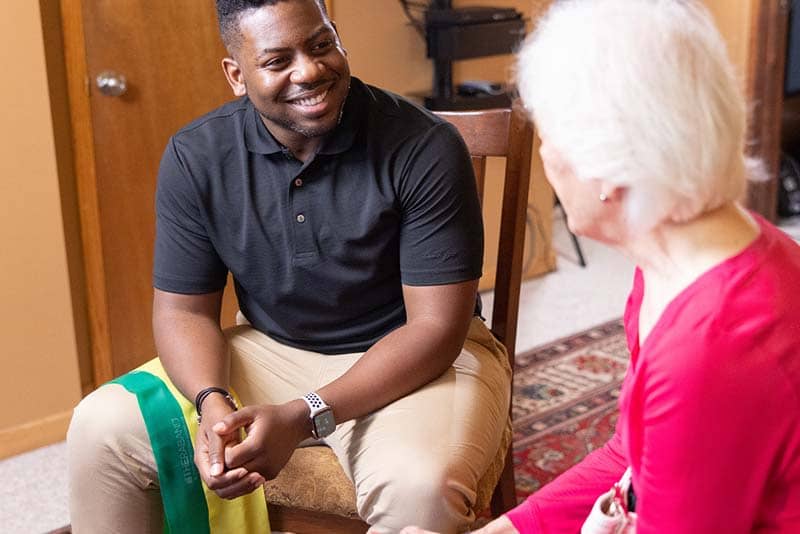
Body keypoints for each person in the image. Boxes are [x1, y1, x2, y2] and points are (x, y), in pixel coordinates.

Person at [66, 0, 512, 532]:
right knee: (100, 427)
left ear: (338, 39)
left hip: (417, 357)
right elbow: (184, 312)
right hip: (275, 350)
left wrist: (305, 414)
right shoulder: (197, 155)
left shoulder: (423, 146)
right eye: (278, 61)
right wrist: (213, 405)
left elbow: (437, 328)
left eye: (321, 45)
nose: (309, 71)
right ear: (237, 74)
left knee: (420, 488)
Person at [402, 0, 800, 533]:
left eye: (550, 136)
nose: (546, 157)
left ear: (607, 166)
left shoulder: (710, 349)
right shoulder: (671, 262)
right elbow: (632, 464)